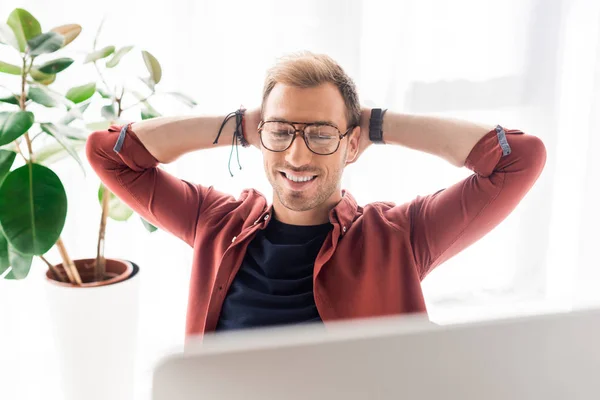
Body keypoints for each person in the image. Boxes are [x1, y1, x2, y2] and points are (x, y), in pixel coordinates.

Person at [86, 52, 547, 337]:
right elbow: (109, 153)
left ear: (351, 143)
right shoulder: (215, 221)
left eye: (322, 135)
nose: (297, 156)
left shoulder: (399, 236)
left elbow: (518, 159)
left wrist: (379, 124)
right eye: (282, 132)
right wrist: (245, 124)